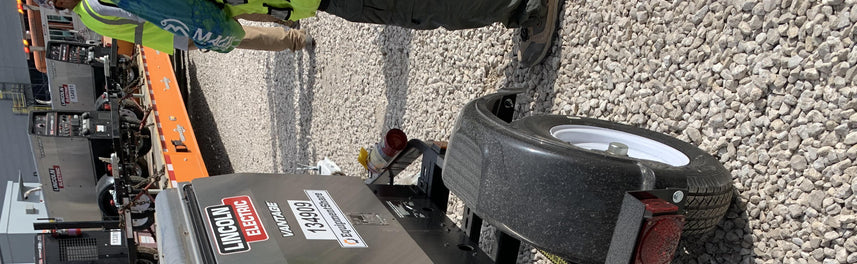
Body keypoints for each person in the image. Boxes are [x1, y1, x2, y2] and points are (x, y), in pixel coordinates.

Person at [45, 0, 560, 66]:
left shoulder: (100, 8)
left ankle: (522, 7)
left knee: (406, 7)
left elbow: (196, 25)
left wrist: (219, 38)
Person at [42, 0, 312, 53]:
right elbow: (143, 11)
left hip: (175, 35)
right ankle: (293, 31)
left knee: (238, 35)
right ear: (60, 3)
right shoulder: (93, 5)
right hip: (179, 21)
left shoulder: (87, 17)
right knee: (236, 12)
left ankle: (294, 35)